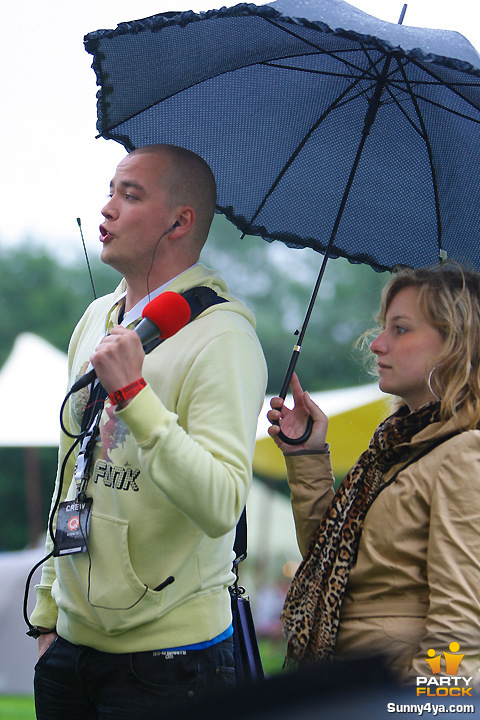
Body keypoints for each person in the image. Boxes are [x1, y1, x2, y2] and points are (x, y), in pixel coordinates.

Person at [29, 144, 267, 718]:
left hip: (169, 662)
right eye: (110, 191)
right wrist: (47, 615)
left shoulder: (223, 338)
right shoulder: (97, 317)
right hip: (69, 649)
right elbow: (72, 470)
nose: (107, 208)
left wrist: (134, 395)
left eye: (129, 195)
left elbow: (221, 503)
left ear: (180, 221)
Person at [268, 265, 480, 685]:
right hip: (347, 686)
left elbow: (461, 630)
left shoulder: (464, 456)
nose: (379, 345)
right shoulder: (394, 449)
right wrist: (307, 454)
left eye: (400, 330)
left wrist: (425, 711)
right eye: (384, 328)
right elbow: (328, 558)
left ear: (456, 344)